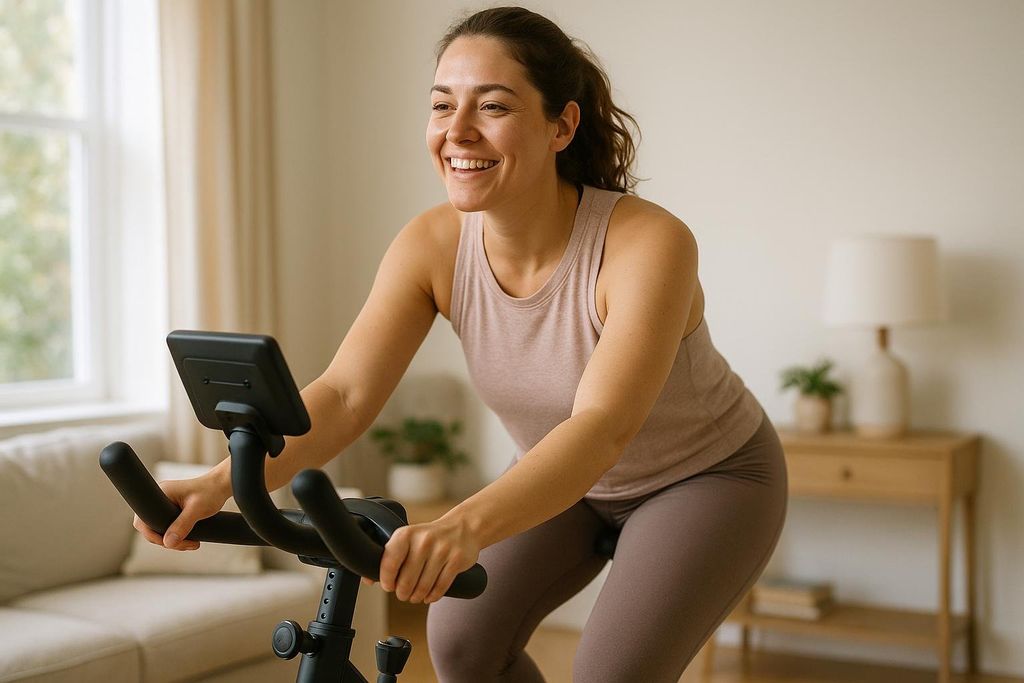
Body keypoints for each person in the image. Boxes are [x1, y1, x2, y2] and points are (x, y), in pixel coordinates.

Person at [134, 6, 788, 682]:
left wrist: (463, 524)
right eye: (442, 105)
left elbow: (600, 427)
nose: (457, 131)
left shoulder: (647, 244)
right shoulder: (432, 244)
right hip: (566, 476)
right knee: (461, 638)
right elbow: (346, 394)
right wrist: (219, 485)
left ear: (562, 125)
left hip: (707, 475)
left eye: (494, 106)